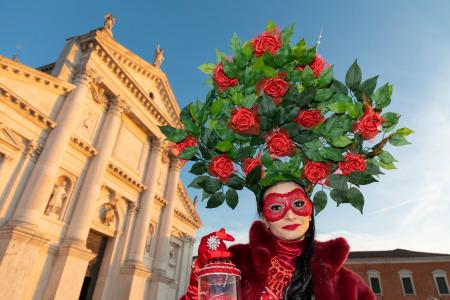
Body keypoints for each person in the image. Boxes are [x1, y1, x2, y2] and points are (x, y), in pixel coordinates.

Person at [180, 180, 376, 300]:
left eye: (298, 204)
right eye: (276, 207)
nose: (290, 215)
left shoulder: (349, 286)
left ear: (309, 213)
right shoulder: (236, 264)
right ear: (264, 218)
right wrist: (203, 270)